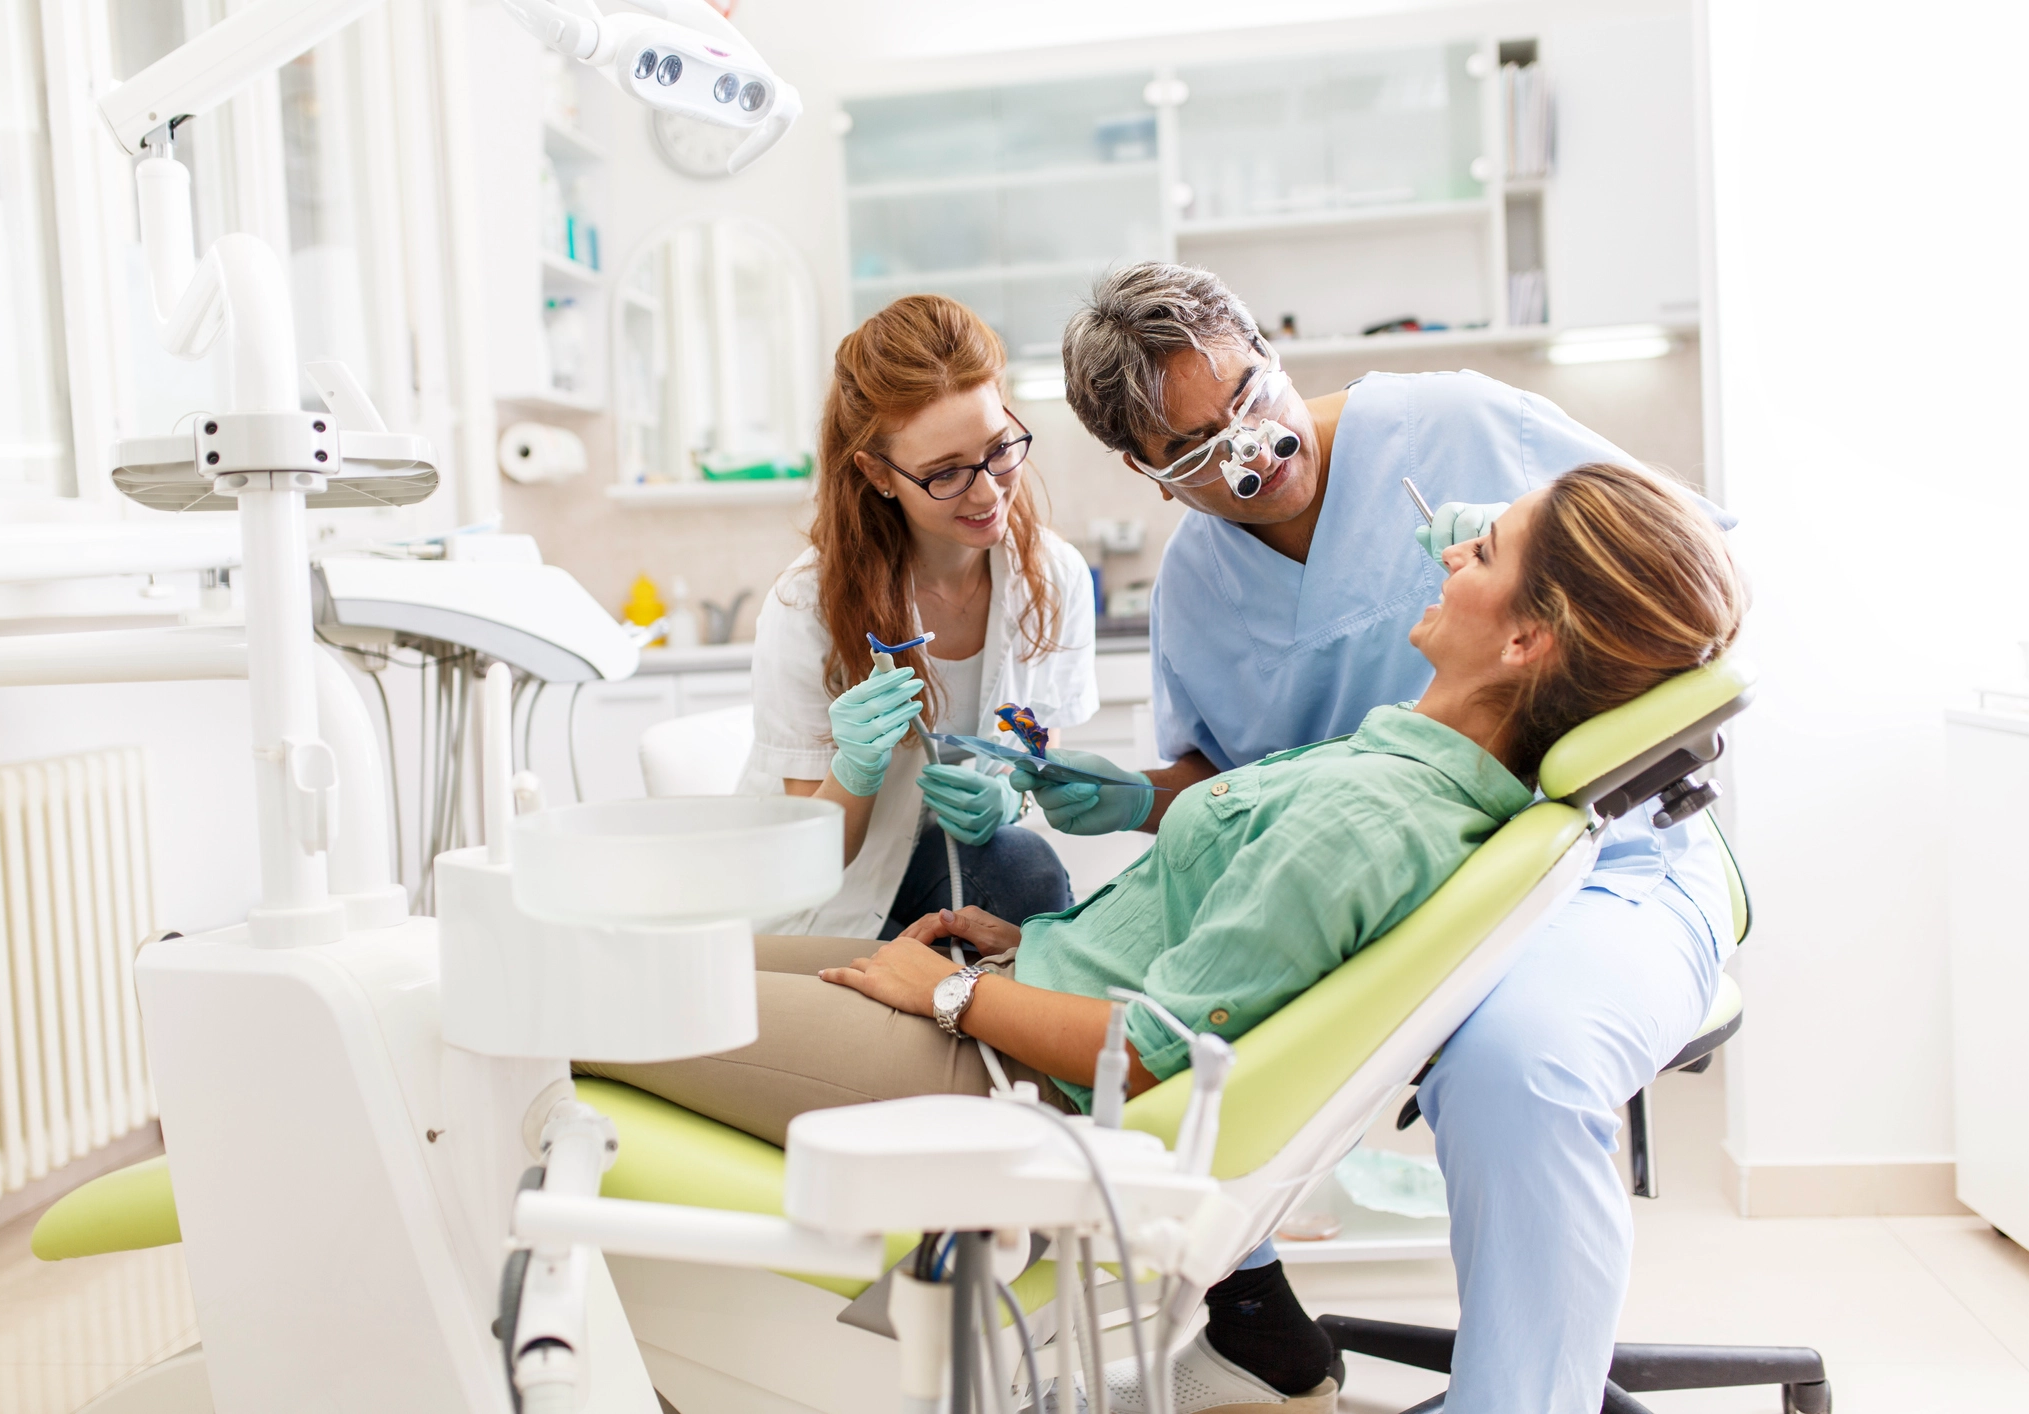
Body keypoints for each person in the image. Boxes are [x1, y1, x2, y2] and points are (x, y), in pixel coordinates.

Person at [581, 464, 1745, 1414]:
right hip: (1008, 993)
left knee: (573, 999)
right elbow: (1206, 950)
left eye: (1486, 553)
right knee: (610, 953)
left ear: (1534, 642)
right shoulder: (1403, 769)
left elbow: (1149, 1048)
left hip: (993, 1070)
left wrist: (945, 997)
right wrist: (1025, 938)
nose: (1450, 547)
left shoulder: (1370, 817)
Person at [1034, 262, 1743, 1414]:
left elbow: (1696, 574)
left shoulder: (1456, 427)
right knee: (1165, 1009)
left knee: (1517, 1062)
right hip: (1385, 910)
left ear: (1270, 345)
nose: (1249, 450)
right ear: (1147, 475)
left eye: (1249, 401)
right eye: (1197, 451)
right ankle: (1250, 1312)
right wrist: (1129, 795)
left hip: (1602, 867)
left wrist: (1535, 602)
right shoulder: (1199, 591)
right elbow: (1234, 782)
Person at [739, 295, 1099, 939]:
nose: (988, 491)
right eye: (946, 473)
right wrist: (853, 772)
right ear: (878, 473)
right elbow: (811, 859)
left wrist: (1013, 797)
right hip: (833, 899)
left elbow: (1041, 742)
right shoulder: (807, 607)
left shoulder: (1055, 574)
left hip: (961, 870)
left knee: (1022, 864)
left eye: (998, 449)